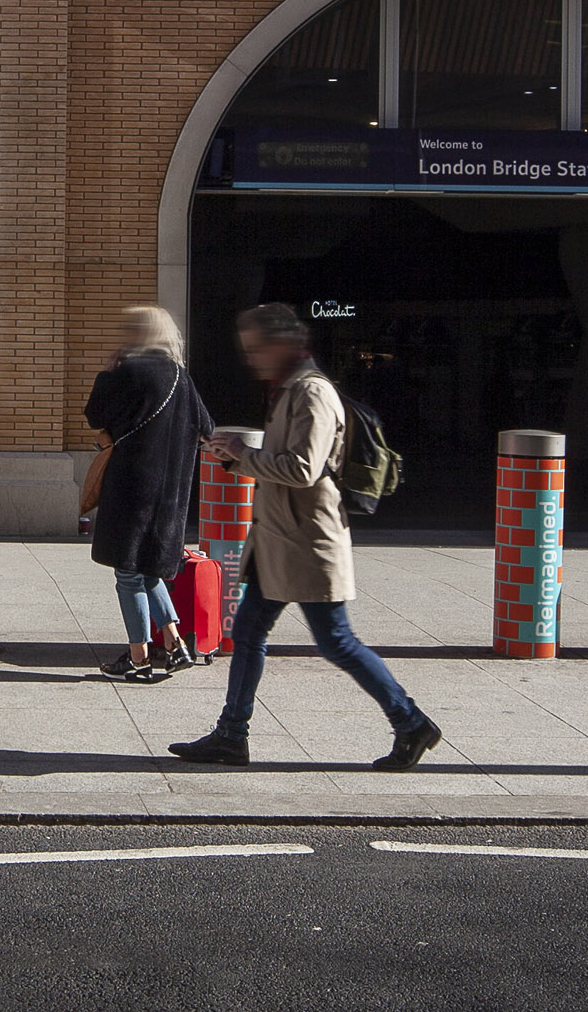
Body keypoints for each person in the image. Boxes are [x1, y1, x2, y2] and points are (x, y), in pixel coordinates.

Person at [167, 301, 437, 769]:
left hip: (308, 542)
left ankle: (411, 722)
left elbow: (303, 468)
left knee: (337, 641)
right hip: (279, 542)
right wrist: (238, 456)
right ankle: (231, 735)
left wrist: (241, 453)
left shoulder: (311, 392)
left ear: (283, 344)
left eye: (257, 349)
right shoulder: (289, 389)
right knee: (249, 632)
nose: (252, 358)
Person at [81, 304, 215, 681]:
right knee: (150, 572)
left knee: (127, 574)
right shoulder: (180, 377)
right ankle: (175, 645)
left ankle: (139, 658)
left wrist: (108, 372)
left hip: (132, 488)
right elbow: (206, 427)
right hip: (170, 493)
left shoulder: (130, 372)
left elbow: (95, 414)